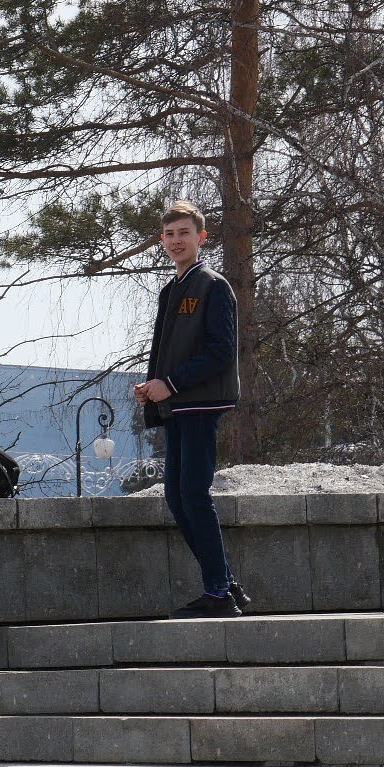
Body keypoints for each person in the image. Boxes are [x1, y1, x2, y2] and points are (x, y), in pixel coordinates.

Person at [136, 200, 248, 618]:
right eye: (169, 234)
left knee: (193, 496)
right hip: (178, 406)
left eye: (184, 233)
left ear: (202, 237)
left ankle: (219, 593)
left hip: (200, 404)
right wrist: (153, 388)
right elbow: (167, 351)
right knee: (178, 497)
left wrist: (170, 384)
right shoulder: (172, 289)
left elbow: (221, 350)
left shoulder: (212, 285)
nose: (175, 241)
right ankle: (225, 586)